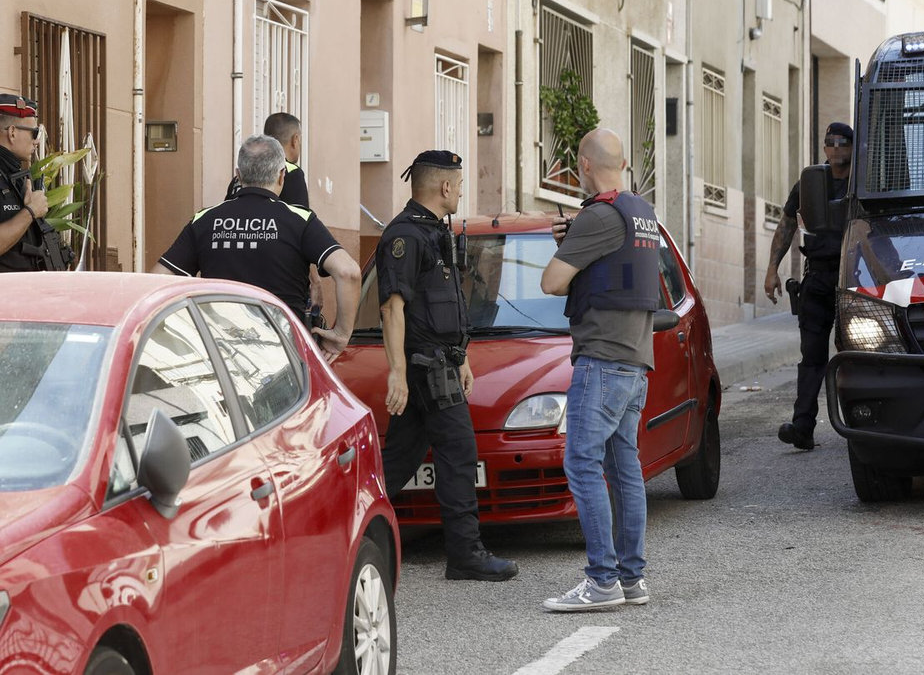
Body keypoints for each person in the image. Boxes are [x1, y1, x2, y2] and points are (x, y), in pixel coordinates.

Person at [377, 150, 518, 582]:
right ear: (444, 186)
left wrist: (463, 357)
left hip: (441, 362)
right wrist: (397, 372)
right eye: (457, 184)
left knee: (396, 462)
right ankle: (465, 554)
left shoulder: (436, 231)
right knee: (458, 453)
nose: (459, 192)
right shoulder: (405, 236)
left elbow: (447, 306)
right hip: (424, 367)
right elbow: (392, 308)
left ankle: (335, 532)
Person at [539, 128, 660, 611]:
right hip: (635, 362)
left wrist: (571, 245)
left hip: (602, 361)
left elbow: (552, 282)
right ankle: (631, 579)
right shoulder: (642, 213)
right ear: (624, 164)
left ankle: (602, 581)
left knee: (581, 463)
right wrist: (578, 240)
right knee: (624, 469)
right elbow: (615, 266)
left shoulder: (597, 216)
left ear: (584, 165)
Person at [153, 134, 359, 362]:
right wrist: (341, 334)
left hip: (221, 354)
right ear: (282, 175)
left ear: (238, 175)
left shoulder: (204, 220)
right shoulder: (299, 220)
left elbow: (157, 282)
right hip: (285, 354)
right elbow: (348, 272)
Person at [764, 122, 853, 451]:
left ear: (853, 146)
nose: (836, 148)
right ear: (824, 147)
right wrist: (772, 270)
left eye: (843, 142)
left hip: (852, 279)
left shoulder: (863, 180)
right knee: (811, 357)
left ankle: (864, 422)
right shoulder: (811, 182)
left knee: (858, 354)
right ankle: (803, 426)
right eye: (830, 142)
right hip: (817, 277)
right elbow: (787, 224)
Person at [226, 112, 323, 316]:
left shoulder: (239, 179)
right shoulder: (291, 173)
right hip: (278, 286)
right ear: (295, 140)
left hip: (235, 284)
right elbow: (302, 229)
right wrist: (315, 281)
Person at [0, 94, 51, 273]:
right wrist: (31, 211)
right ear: (12, 133)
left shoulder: (15, 177)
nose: (37, 141)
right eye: (34, 133)